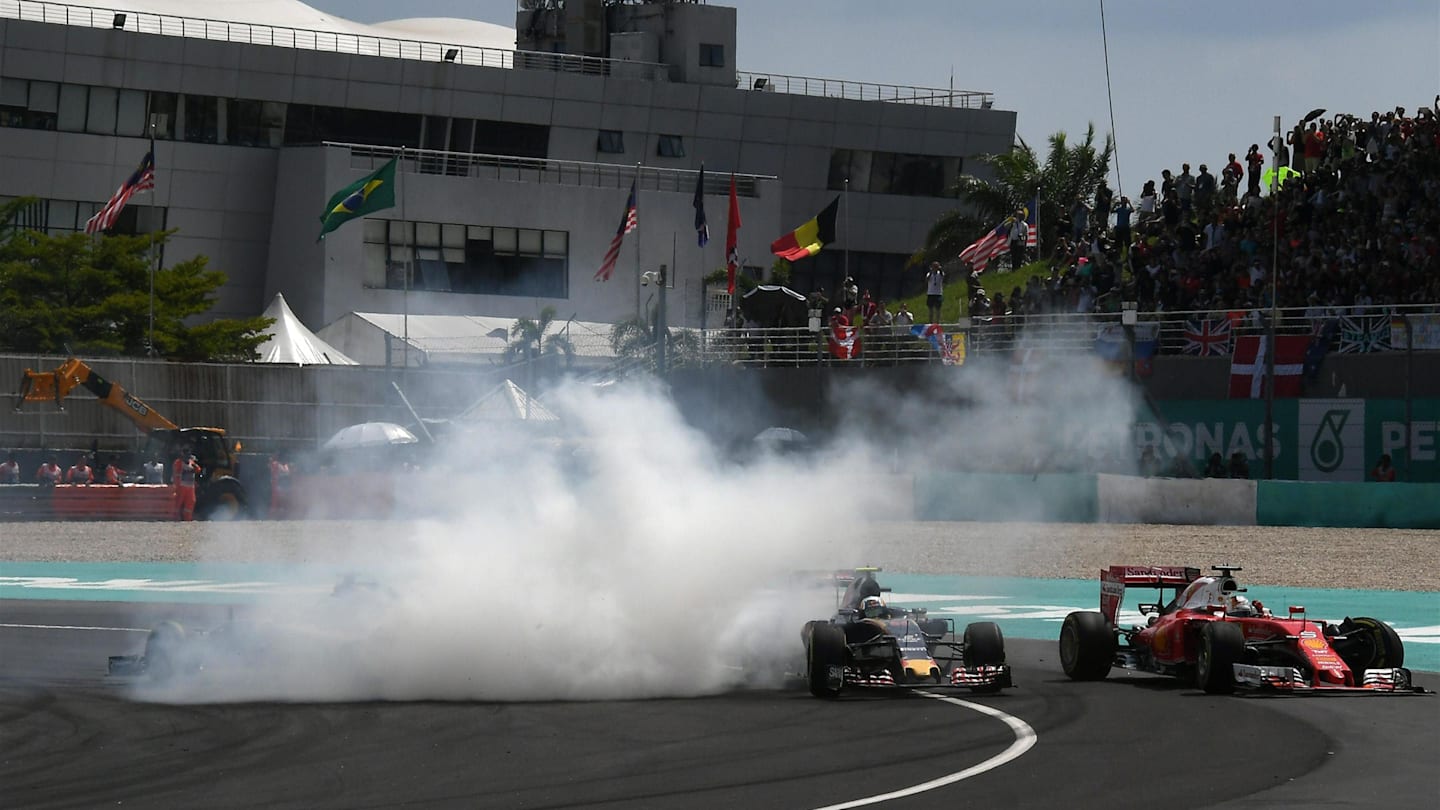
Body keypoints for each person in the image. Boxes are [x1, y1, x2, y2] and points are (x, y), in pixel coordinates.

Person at [173, 452, 201, 521]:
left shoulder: (192, 463)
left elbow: (198, 470)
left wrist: (193, 465)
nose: (187, 458)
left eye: (188, 457)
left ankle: (187, 518)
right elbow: (176, 470)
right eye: (186, 456)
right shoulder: (179, 463)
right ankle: (175, 517)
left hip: (190, 487)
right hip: (181, 486)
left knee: (191, 501)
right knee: (178, 502)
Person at [269, 451, 293, 517]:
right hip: (277, 484)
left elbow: (286, 473)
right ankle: (275, 514)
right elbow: (286, 473)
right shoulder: (276, 464)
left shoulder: (280, 465)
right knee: (277, 501)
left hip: (279, 485)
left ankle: (278, 514)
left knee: (279, 501)